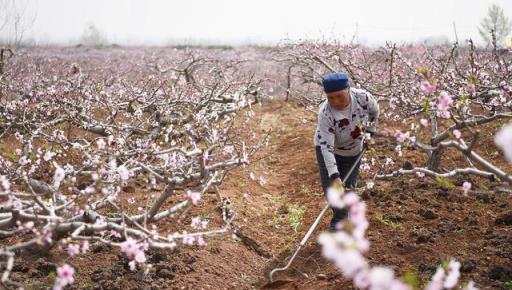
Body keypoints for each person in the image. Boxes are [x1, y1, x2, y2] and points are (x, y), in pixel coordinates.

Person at [313, 72, 379, 231]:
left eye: (339, 96)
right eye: (331, 98)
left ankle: (345, 220)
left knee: (349, 186)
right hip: (328, 149)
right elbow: (327, 147)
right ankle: (338, 224)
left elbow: (375, 111)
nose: (335, 101)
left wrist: (370, 132)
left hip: (353, 149)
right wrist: (334, 176)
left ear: (348, 89)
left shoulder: (363, 98)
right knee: (332, 189)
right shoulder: (325, 114)